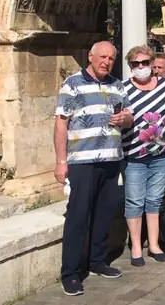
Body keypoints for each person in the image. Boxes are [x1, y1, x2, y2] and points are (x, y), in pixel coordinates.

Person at [54, 41, 132, 296]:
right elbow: (61, 124)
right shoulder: (72, 84)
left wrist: (125, 119)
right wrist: (61, 162)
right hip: (82, 161)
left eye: (111, 58)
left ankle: (98, 261)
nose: (106, 62)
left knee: (104, 214)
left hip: (111, 159)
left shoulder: (117, 85)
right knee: (78, 217)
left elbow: (129, 118)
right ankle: (70, 273)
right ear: (90, 56)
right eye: (102, 57)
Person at [121, 45, 165, 267]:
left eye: (145, 62)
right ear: (130, 66)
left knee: (154, 200)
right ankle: (136, 247)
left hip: (161, 153)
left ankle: (154, 245)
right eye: (136, 63)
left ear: (153, 64)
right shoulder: (123, 89)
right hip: (133, 154)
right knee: (134, 201)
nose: (141, 67)